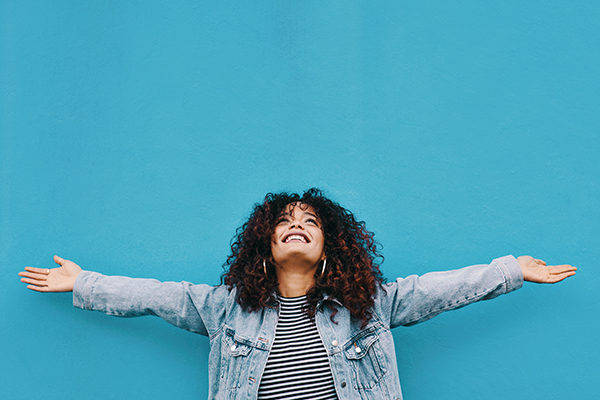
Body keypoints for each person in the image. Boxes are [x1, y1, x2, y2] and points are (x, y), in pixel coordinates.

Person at [19, 188, 576, 400]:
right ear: (266, 243)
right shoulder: (224, 308)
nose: (297, 225)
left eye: (310, 221)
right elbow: (158, 295)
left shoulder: (371, 304)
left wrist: (511, 269)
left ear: (329, 244)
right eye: (284, 220)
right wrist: (84, 282)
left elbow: (437, 289)